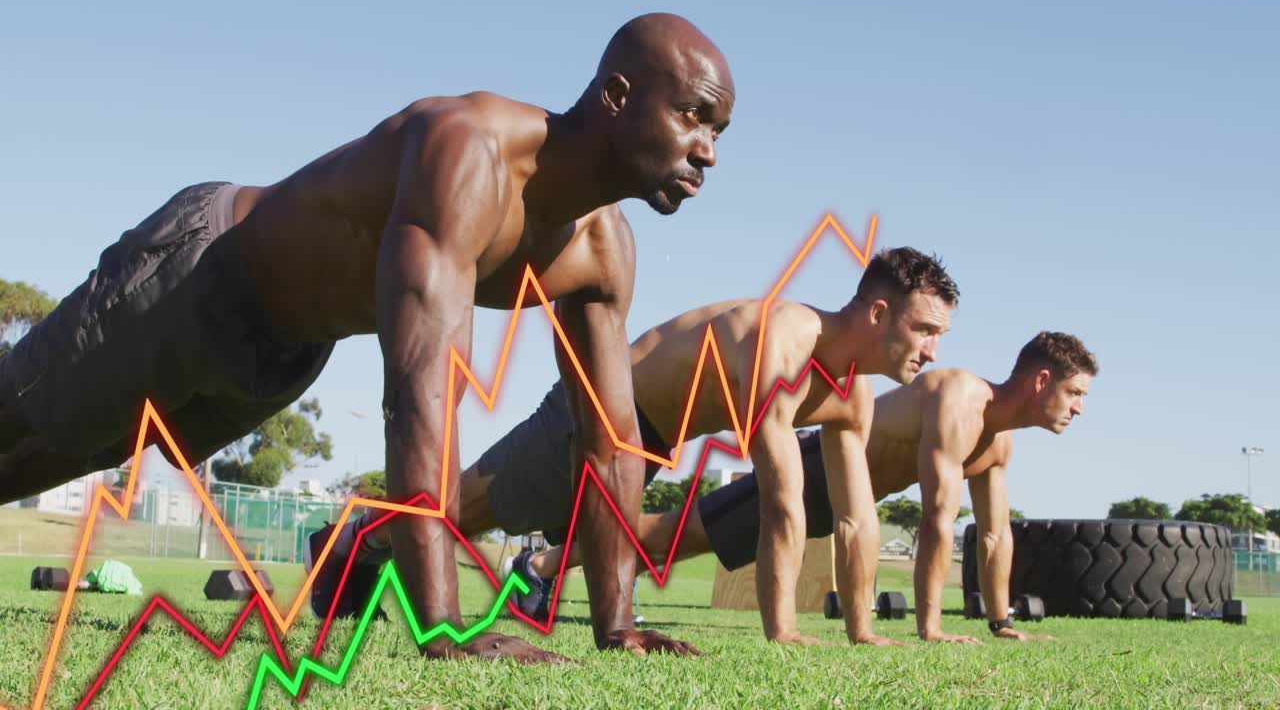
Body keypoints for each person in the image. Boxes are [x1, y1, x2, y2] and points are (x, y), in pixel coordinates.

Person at [0, 12, 735, 663]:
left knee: (75, 448)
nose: (708, 152)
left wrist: (618, 623)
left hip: (283, 356)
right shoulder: (470, 154)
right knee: (20, 406)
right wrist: (442, 627)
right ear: (617, 97)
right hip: (198, 274)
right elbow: (419, 397)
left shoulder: (605, 251)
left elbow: (609, 444)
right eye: (694, 117)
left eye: (718, 132)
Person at [314, 247, 960, 647]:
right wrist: (783, 631)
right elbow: (783, 500)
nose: (933, 350)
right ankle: (355, 539)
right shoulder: (787, 336)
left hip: (647, 444)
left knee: (469, 515)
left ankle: (364, 542)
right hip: (601, 408)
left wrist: (863, 630)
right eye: (924, 329)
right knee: (465, 510)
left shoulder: (855, 396)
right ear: (878, 314)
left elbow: (857, 518)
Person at [526, 331, 1096, 643]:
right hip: (816, 468)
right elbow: (936, 520)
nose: (1079, 409)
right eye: (1074, 394)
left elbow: (994, 538)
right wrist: (932, 629)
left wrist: (1001, 624)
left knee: (679, 538)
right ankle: (543, 566)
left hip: (847, 496)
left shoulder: (999, 443)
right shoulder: (960, 398)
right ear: (1041, 379)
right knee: (676, 536)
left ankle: (549, 563)